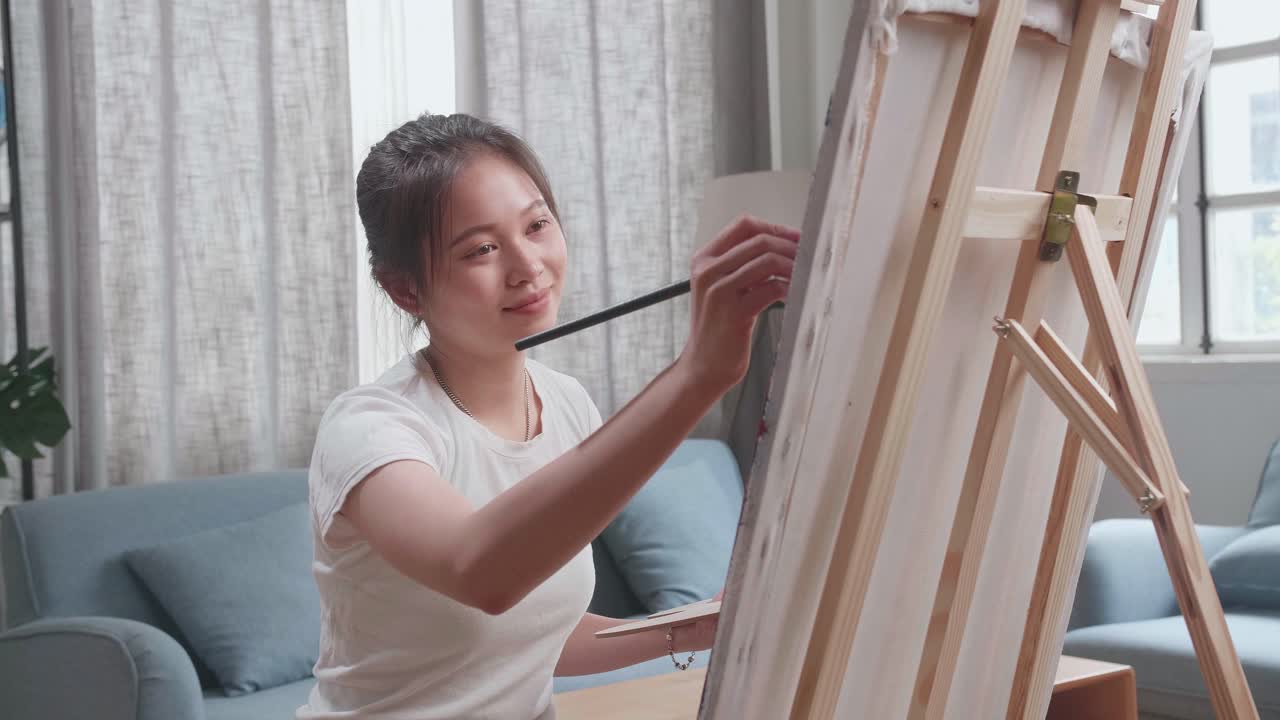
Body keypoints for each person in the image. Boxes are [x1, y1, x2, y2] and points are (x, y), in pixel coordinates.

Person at [297, 112, 798, 720]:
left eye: (536, 225)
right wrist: (698, 376)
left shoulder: (564, 403)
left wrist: (695, 627)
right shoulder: (369, 429)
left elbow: (532, 636)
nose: (528, 265)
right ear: (405, 290)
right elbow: (483, 573)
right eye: (481, 249)